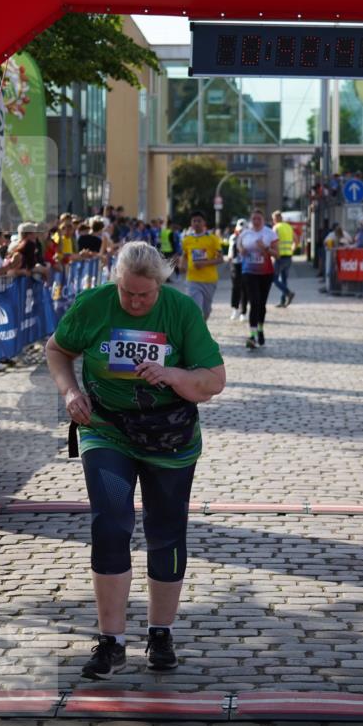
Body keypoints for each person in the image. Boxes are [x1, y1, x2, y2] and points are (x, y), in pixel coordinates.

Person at [45, 242, 226, 678]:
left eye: (144, 295)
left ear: (160, 287)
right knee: (110, 524)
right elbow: (57, 350)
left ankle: (160, 632)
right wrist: (71, 391)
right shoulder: (95, 305)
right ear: (117, 282)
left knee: (165, 534)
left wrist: (174, 375)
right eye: (127, 293)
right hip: (106, 431)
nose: (135, 302)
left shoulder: (181, 312)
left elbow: (215, 379)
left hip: (170, 439)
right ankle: (112, 642)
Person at [239, 209, 279, 348]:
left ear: (263, 220)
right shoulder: (245, 233)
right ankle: (252, 335)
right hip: (248, 272)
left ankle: (260, 329)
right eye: (254, 219)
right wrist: (242, 251)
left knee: (261, 304)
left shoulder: (270, 233)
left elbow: (277, 254)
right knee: (254, 302)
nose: (256, 221)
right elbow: (239, 247)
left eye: (259, 219)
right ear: (251, 220)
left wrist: (265, 248)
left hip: (266, 273)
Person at [179, 211, 223, 321]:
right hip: (192, 279)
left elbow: (220, 259)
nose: (196, 223)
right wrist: (182, 265)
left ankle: (202, 325)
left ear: (204, 223)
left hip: (209, 280)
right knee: (195, 308)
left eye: (199, 221)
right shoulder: (187, 240)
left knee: (206, 310)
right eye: (194, 221)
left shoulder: (213, 239)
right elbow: (184, 255)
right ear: (191, 223)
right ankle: (195, 332)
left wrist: (204, 263)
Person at [272, 210, 296, 308]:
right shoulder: (289, 227)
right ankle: (283, 301)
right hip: (288, 257)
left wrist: (273, 255)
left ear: (275, 219)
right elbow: (296, 240)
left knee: (274, 278)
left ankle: (288, 293)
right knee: (284, 279)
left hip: (279, 257)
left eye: (273, 219)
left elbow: (273, 242)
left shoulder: (276, 227)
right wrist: (292, 250)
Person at [227, 218, 248, 321]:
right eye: (239, 230)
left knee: (245, 288)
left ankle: (243, 311)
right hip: (236, 265)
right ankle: (235, 308)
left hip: (246, 265)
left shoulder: (249, 238)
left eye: (243, 230)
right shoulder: (233, 237)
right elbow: (231, 250)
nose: (241, 232)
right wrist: (230, 256)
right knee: (235, 287)